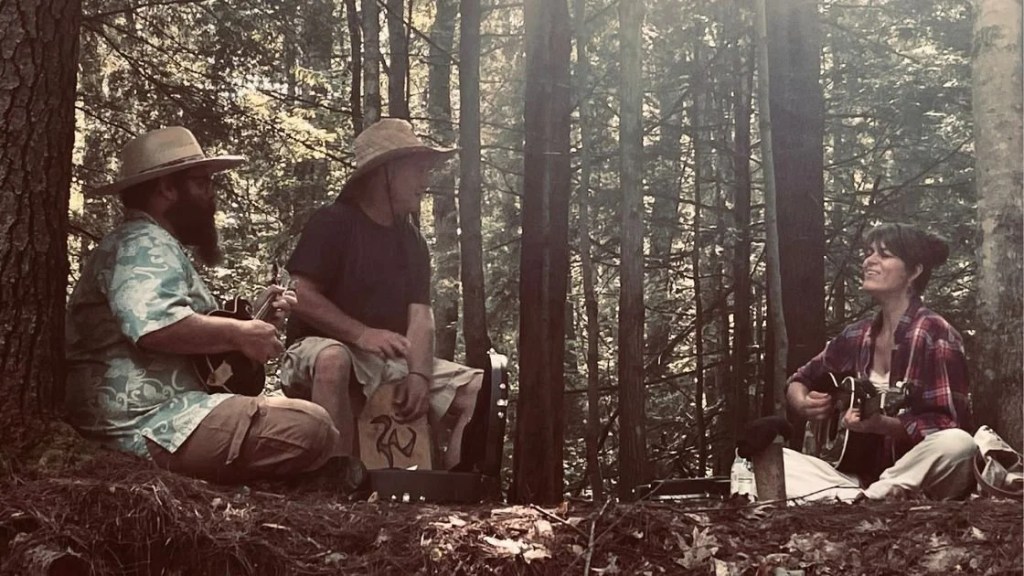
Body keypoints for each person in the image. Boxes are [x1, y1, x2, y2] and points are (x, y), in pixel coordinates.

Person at [65, 126, 365, 491]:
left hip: (171, 416)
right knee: (312, 427)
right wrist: (239, 333)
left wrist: (250, 322)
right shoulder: (142, 243)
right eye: (202, 183)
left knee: (310, 427)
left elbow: (191, 351)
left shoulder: (151, 243)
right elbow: (155, 328)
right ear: (166, 189)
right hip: (147, 424)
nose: (212, 195)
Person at [282, 118, 483, 470]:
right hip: (317, 352)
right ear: (385, 173)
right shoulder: (333, 223)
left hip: (384, 361)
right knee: (334, 358)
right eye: (417, 171)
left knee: (480, 389)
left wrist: (419, 375)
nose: (425, 182)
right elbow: (300, 293)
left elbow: (421, 317)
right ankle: (334, 489)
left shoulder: (413, 242)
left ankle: (456, 494)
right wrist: (360, 334)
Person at [784, 223, 977, 501]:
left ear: (914, 271)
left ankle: (861, 499)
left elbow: (947, 424)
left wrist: (881, 425)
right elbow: (799, 379)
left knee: (959, 445)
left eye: (884, 255)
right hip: (855, 475)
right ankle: (862, 499)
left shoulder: (935, 332)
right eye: (869, 252)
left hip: (918, 473)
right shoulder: (857, 334)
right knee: (756, 461)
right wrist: (802, 402)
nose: (869, 261)